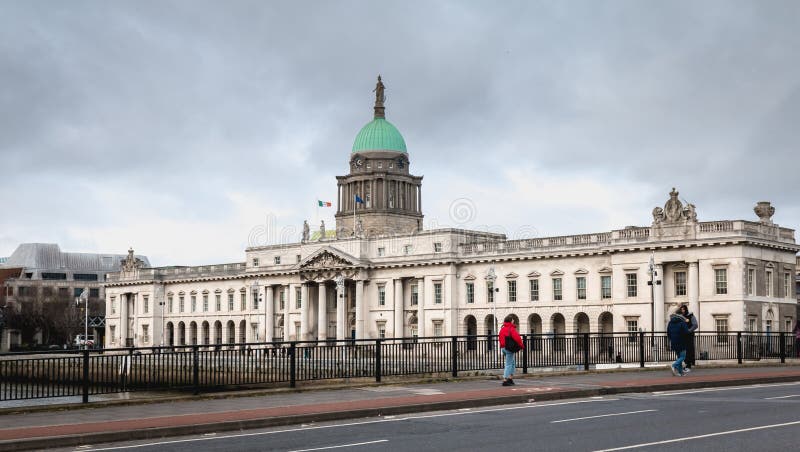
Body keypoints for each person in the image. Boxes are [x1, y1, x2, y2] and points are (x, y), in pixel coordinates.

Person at [498, 315, 524, 386]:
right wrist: (521, 345)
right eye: (513, 320)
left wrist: (502, 345)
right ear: (511, 321)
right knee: (509, 364)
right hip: (509, 348)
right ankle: (505, 380)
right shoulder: (511, 328)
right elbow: (517, 338)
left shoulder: (502, 328)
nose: (513, 321)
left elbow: (500, 337)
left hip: (503, 348)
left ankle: (510, 378)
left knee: (512, 363)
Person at [667, 309, 690, 376]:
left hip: (674, 341)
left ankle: (681, 373)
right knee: (683, 357)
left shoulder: (670, 322)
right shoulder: (682, 322)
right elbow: (686, 332)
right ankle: (674, 365)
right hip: (682, 341)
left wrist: (671, 339)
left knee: (679, 357)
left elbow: (668, 333)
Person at [679, 305, 698, 371]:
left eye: (683, 309)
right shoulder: (681, 317)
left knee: (689, 350)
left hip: (689, 335)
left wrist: (688, 330)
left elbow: (695, 325)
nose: (682, 311)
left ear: (686, 309)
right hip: (683, 336)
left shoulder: (691, 316)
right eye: (681, 309)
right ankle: (685, 364)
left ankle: (688, 365)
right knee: (683, 350)